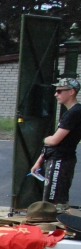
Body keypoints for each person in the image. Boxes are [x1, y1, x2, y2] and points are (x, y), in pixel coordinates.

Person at [32, 77, 81, 207]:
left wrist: (44, 139)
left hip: (61, 160)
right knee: (52, 199)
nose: (56, 94)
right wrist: (40, 161)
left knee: (53, 203)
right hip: (55, 158)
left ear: (71, 92)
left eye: (59, 91)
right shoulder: (69, 113)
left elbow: (54, 140)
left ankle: (54, 225)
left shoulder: (75, 112)